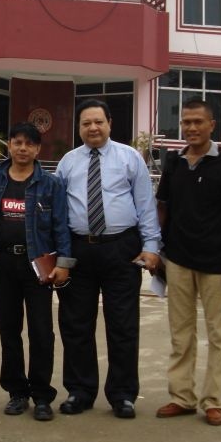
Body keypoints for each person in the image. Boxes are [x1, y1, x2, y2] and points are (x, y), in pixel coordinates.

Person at [55, 98, 161, 419]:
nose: (93, 128)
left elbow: (145, 204)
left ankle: (123, 394)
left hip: (122, 249)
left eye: (98, 121)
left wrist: (152, 245)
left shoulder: (130, 159)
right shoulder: (67, 163)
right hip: (78, 249)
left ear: (110, 123)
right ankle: (80, 390)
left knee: (123, 325)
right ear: (79, 128)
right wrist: (58, 255)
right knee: (76, 325)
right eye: (86, 123)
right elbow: (58, 213)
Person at [155, 98, 221, 427]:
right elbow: (163, 207)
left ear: (212, 125)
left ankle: (213, 401)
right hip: (179, 262)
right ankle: (181, 397)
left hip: (219, 266)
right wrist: (159, 250)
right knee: (180, 335)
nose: (191, 128)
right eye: (186, 122)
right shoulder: (175, 163)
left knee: (218, 335)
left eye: (198, 122)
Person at [0, 122, 74, 422]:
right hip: (5, 264)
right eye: (17, 141)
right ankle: (16, 392)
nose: (22, 148)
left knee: (41, 331)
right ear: (9, 145)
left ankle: (41, 395)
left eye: (29, 143)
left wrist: (64, 263)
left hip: (38, 266)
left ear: (38, 149)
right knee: (9, 329)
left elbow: (61, 225)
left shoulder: (50, 185)